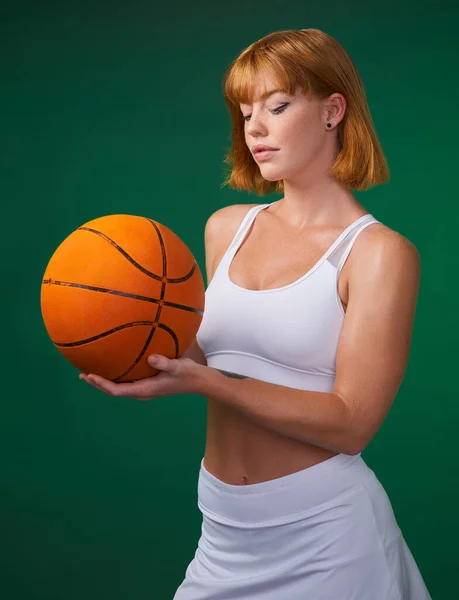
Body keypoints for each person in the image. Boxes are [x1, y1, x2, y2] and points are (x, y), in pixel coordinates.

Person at [81, 28, 432, 599]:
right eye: (246, 113)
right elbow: (195, 352)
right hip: (223, 530)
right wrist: (113, 333)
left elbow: (351, 423)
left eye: (278, 105)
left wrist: (209, 384)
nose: (255, 129)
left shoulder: (378, 254)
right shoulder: (227, 228)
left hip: (326, 538)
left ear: (333, 110)